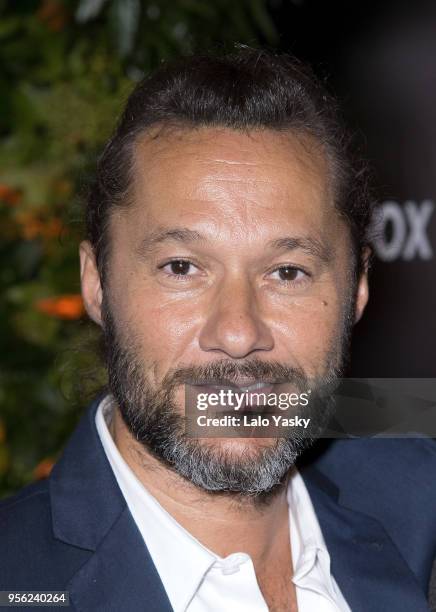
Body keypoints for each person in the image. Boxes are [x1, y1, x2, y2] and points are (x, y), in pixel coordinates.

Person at [1, 47, 435, 612]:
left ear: (356, 291)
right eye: (181, 268)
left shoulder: (417, 502)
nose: (237, 333)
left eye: (287, 272)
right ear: (96, 284)